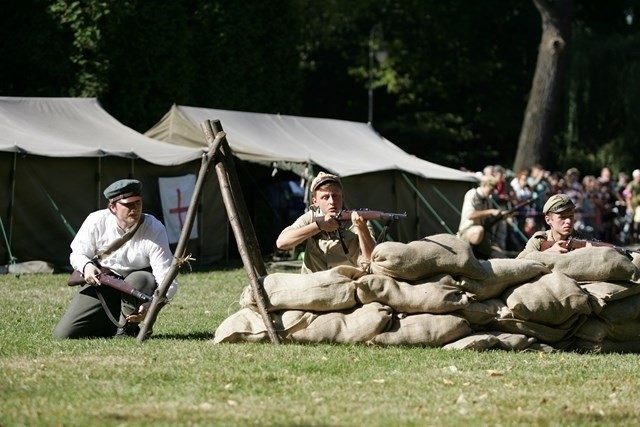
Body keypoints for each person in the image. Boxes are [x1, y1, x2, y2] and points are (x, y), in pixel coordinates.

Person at [53, 179, 177, 339]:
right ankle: (111, 324)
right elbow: (77, 254)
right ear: (112, 207)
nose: (135, 209)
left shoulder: (154, 229)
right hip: (103, 283)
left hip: (136, 288)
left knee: (141, 278)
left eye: (138, 203)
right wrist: (87, 266)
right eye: (128, 205)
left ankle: (127, 329)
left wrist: (151, 305)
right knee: (63, 335)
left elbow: (167, 279)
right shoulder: (96, 221)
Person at [275, 172, 376, 274]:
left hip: (347, 282)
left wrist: (362, 229)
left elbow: (371, 258)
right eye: (325, 197)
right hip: (314, 284)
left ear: (343, 197)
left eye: (335, 196)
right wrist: (318, 226)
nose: (332, 201)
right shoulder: (311, 217)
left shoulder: (357, 219)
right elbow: (282, 243)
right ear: (315, 201)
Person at [516, 193, 586, 258]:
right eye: (562, 217)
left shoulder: (584, 240)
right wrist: (546, 254)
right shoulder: (539, 240)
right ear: (548, 220)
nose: (568, 221)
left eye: (571, 216)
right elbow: (519, 263)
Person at [457, 175, 507, 259]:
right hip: (468, 232)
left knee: (500, 255)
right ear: (484, 185)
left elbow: (488, 219)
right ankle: (471, 256)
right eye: (491, 189)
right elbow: (470, 215)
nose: (492, 192)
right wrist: (490, 211)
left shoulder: (488, 200)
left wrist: (501, 215)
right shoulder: (472, 194)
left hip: (483, 235)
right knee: (479, 230)